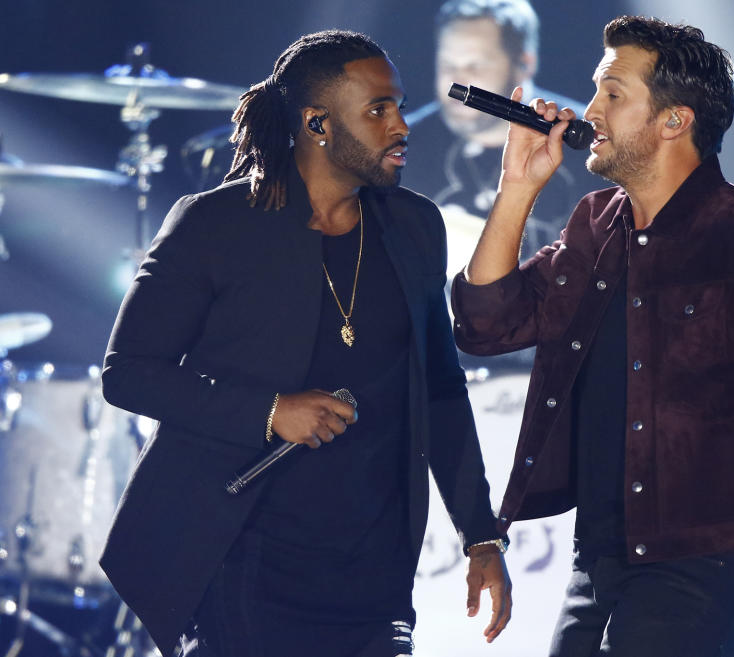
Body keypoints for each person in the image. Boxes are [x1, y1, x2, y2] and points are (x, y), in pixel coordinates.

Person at [451, 15, 734, 657]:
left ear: (675, 120)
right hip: (600, 557)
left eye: (613, 95)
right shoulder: (595, 225)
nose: (588, 109)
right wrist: (517, 191)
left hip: (708, 562)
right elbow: (484, 324)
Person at [99, 30, 510, 657]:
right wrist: (268, 409)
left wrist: (481, 536)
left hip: (373, 568)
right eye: (378, 109)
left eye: (398, 104)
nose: (402, 123)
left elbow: (442, 392)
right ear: (318, 123)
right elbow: (127, 372)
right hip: (244, 557)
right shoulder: (215, 222)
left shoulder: (414, 226)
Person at [402, 0, 595, 262]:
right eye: (447, 65)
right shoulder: (403, 144)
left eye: (476, 66)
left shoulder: (586, 141)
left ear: (524, 64)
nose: (457, 81)